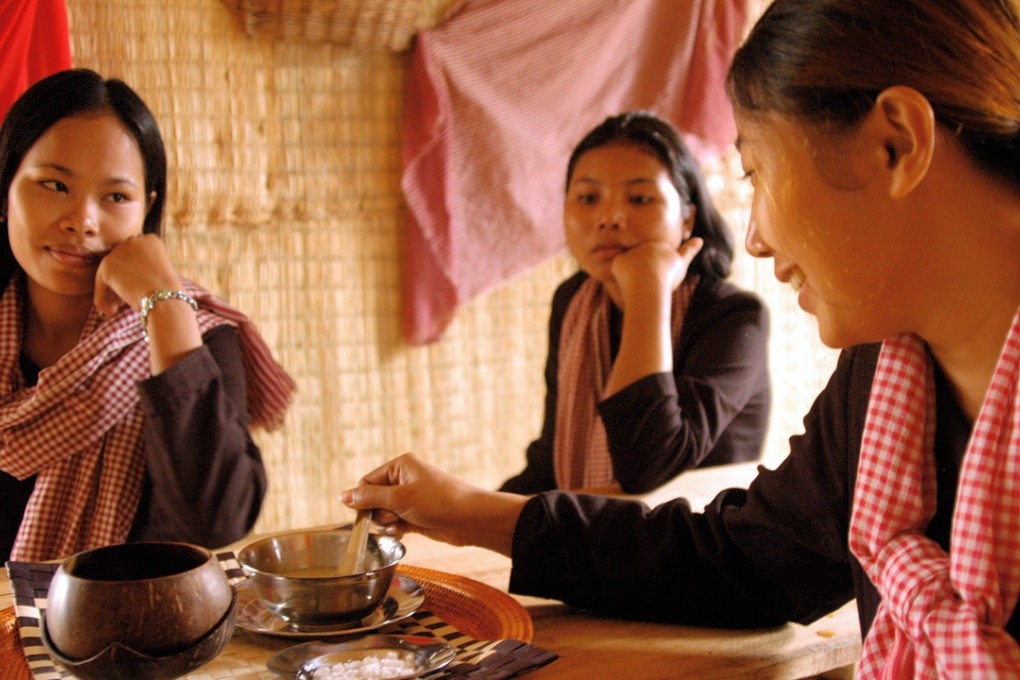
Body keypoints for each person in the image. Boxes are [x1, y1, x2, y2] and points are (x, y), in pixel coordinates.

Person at [342, 0, 1020, 676]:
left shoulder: (731, 316)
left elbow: (649, 458)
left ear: (894, 144)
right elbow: (746, 560)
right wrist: (467, 513)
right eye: (586, 197)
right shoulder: (885, 382)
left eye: (757, 170)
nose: (755, 238)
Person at [0, 68, 296, 563]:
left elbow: (213, 523)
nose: (83, 221)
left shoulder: (198, 336)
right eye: (54, 185)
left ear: (146, 209)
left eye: (115, 197)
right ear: (5, 190)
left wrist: (164, 302)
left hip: (126, 632)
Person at [499, 111, 770, 495]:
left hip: (699, 541)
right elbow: (550, 461)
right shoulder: (574, 303)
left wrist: (648, 292)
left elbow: (648, 467)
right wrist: (459, 511)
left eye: (640, 198)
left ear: (688, 219)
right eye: (588, 197)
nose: (609, 218)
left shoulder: (733, 318)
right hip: (594, 532)